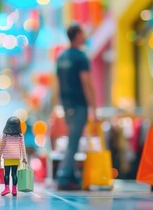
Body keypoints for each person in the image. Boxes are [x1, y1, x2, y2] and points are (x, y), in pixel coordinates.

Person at [55, 24, 97, 190]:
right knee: (74, 140)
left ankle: (73, 177)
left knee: (74, 138)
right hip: (79, 103)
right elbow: (86, 83)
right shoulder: (81, 57)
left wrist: (60, 103)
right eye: (83, 32)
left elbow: (58, 83)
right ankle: (64, 176)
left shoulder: (61, 57)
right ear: (78, 35)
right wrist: (94, 107)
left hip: (66, 103)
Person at [0, 116, 28, 197]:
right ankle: (14, 189)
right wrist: (24, 158)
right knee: (14, 174)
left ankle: (7, 189)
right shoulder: (20, 135)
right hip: (16, 157)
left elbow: (2, 146)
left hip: (7, 157)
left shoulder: (5, 135)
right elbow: (22, 147)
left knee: (6, 174)